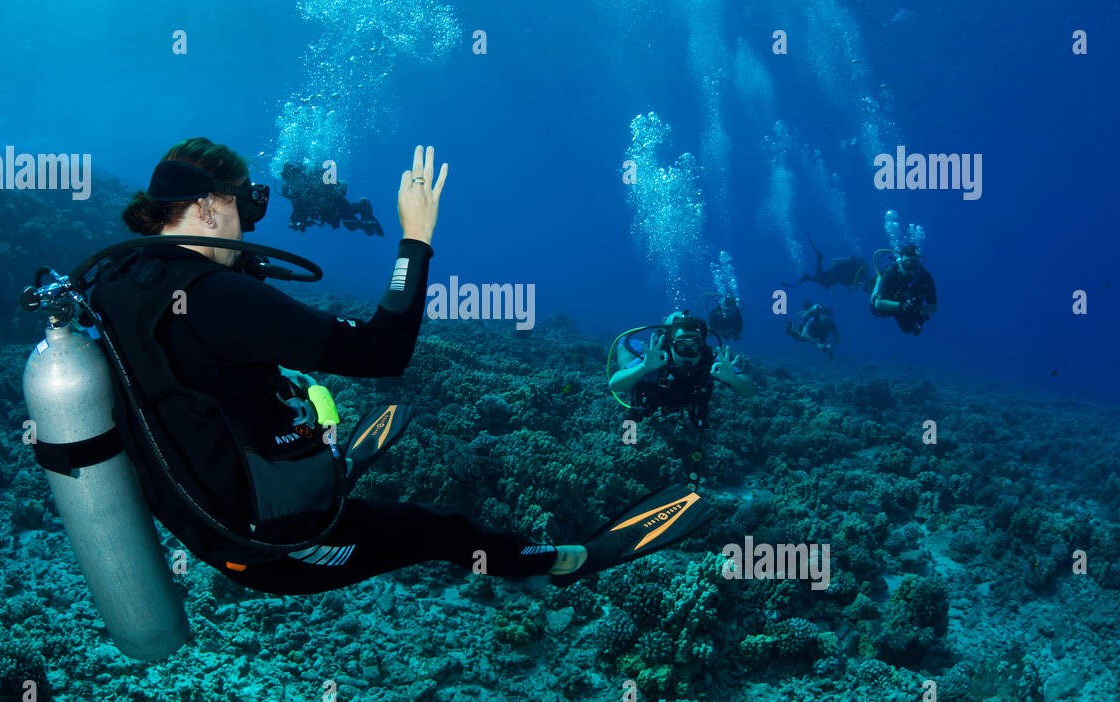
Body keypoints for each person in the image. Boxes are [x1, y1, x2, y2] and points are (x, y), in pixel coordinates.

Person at [87, 138, 713, 592]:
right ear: (205, 206)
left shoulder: (115, 282)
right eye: (247, 205)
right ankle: (572, 560)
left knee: (281, 394)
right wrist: (417, 239)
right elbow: (380, 351)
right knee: (431, 529)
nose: (249, 226)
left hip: (199, 515)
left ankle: (329, 466)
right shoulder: (216, 295)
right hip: (271, 548)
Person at [609, 311, 754, 439]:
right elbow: (615, 385)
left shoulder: (711, 364)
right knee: (626, 365)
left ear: (702, 347)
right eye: (681, 346)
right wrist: (643, 368)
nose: (688, 354)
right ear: (671, 345)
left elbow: (750, 391)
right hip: (646, 370)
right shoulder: (655, 359)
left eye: (695, 346)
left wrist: (733, 379)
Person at [280, 161, 383, 235]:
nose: (290, 184)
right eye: (287, 181)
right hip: (327, 214)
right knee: (351, 224)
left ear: (299, 177)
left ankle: (363, 205)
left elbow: (337, 193)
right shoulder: (294, 193)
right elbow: (298, 210)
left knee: (350, 223)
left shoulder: (314, 185)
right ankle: (365, 220)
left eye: (291, 180)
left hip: (335, 207)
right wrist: (298, 221)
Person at [871, 243, 937, 335]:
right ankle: (878, 281)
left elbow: (933, 307)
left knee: (908, 330)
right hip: (893, 298)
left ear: (918, 264)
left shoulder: (925, 276)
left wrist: (918, 309)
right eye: (906, 264)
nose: (909, 269)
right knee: (875, 310)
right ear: (900, 263)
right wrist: (901, 305)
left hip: (910, 305)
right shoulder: (891, 272)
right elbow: (878, 304)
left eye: (913, 264)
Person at [784, 234, 872, 292]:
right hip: (832, 276)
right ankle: (818, 259)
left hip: (832, 275)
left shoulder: (859, 269)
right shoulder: (862, 272)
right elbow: (835, 262)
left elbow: (834, 262)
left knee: (817, 278)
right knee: (819, 279)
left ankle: (818, 259)